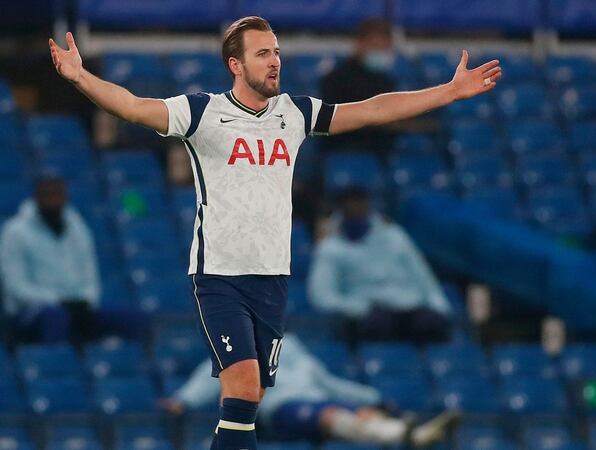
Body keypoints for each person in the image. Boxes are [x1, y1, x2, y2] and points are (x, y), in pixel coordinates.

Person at [48, 16, 500, 450]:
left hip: (272, 278)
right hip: (220, 276)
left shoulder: (294, 114)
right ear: (236, 65)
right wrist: (80, 77)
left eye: (277, 52)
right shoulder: (203, 111)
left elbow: (372, 110)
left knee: (251, 400)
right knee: (242, 386)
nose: (274, 61)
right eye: (263, 53)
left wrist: (448, 92)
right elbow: (132, 107)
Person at [160, 333, 461, 447]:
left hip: (316, 402)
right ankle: (400, 434)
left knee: (361, 411)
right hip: (278, 412)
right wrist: (183, 401)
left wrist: (375, 398)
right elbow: (208, 377)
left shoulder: (291, 345)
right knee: (330, 413)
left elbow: (327, 382)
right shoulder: (234, 348)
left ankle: (409, 435)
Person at [309, 187, 452, 344]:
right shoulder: (331, 248)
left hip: (409, 308)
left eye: (359, 202)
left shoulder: (394, 236)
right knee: (377, 325)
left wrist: (438, 305)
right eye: (349, 204)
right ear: (340, 208)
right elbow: (322, 296)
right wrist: (357, 308)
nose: (355, 208)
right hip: (368, 315)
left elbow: (422, 275)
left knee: (432, 324)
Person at [0, 176, 100, 345]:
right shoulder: (15, 231)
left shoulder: (77, 227)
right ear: (36, 198)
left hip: (75, 305)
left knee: (133, 319)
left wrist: (86, 299)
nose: (53, 200)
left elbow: (90, 276)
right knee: (55, 316)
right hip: (28, 312)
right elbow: (16, 288)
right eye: (48, 195)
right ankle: (59, 367)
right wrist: (57, 300)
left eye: (58, 195)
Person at [320, 18, 397, 152]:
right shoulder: (337, 79)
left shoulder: (386, 81)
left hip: (381, 151)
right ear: (360, 44)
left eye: (384, 48)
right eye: (375, 47)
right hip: (344, 149)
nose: (380, 53)